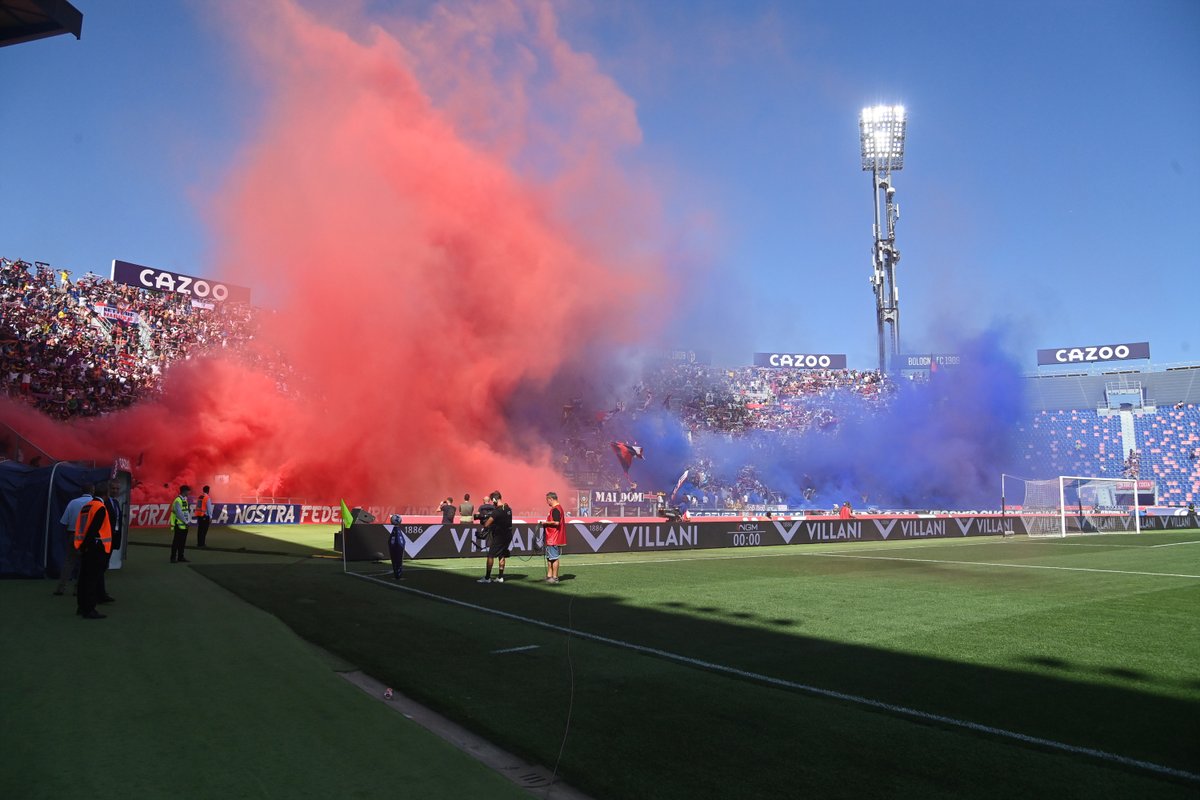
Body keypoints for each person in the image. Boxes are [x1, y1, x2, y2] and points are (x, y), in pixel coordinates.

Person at [73, 494, 112, 619]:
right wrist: (86, 545)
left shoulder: (87, 506)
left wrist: (82, 546)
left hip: (84, 546)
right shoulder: (100, 507)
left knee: (83, 578)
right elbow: (93, 529)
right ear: (106, 494)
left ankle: (81, 606)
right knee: (91, 580)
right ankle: (89, 609)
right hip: (94, 548)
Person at [55, 483, 95, 596]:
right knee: (84, 563)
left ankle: (61, 588)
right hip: (87, 536)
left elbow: (64, 521)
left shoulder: (73, 503)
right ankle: (78, 589)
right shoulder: (95, 503)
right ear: (93, 490)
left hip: (73, 534)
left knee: (69, 562)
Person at [478, 491, 513, 584]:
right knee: (502, 554)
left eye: (493, 501)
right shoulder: (508, 508)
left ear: (494, 499)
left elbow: (487, 524)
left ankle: (487, 577)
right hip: (508, 534)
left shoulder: (497, 511)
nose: (492, 503)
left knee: (490, 555)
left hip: (499, 536)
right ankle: (500, 577)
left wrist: (484, 524)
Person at [542, 491, 568, 584]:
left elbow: (556, 522)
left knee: (554, 558)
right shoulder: (556, 509)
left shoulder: (556, 509)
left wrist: (545, 523)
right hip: (551, 537)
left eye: (547, 500)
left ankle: (555, 577)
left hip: (554, 537)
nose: (547, 502)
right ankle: (549, 576)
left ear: (551, 499)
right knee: (549, 558)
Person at [169, 484, 192, 563]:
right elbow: (179, 513)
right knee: (176, 541)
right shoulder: (178, 500)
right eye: (188, 491)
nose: (189, 492)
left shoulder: (184, 500)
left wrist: (188, 521)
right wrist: (186, 522)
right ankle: (173, 558)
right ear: (184, 491)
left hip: (184, 525)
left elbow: (185, 512)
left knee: (182, 541)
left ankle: (180, 557)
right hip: (179, 524)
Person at [387, 514, 405, 580]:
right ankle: (398, 574)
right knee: (397, 559)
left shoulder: (395, 532)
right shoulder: (397, 532)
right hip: (396, 546)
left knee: (397, 559)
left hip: (396, 546)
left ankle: (398, 574)